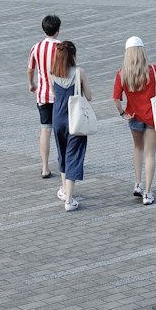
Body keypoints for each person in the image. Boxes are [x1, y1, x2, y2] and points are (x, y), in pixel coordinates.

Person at [113, 35, 156, 206]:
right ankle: (148, 192)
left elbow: (116, 98)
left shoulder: (122, 73)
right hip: (152, 117)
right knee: (150, 154)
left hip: (134, 116)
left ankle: (137, 183)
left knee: (138, 148)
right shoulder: (153, 70)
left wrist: (123, 113)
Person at [50, 40, 92, 212]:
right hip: (75, 120)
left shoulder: (52, 73)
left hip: (58, 119)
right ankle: (69, 199)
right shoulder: (79, 72)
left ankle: (64, 189)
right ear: (73, 55)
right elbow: (88, 96)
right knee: (73, 156)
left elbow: (54, 95)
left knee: (62, 153)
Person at [27, 13, 62, 179]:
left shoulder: (36, 47)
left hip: (42, 94)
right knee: (62, 131)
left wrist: (31, 84)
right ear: (58, 30)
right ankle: (64, 163)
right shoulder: (62, 47)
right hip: (60, 96)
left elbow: (30, 69)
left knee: (45, 130)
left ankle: (45, 167)